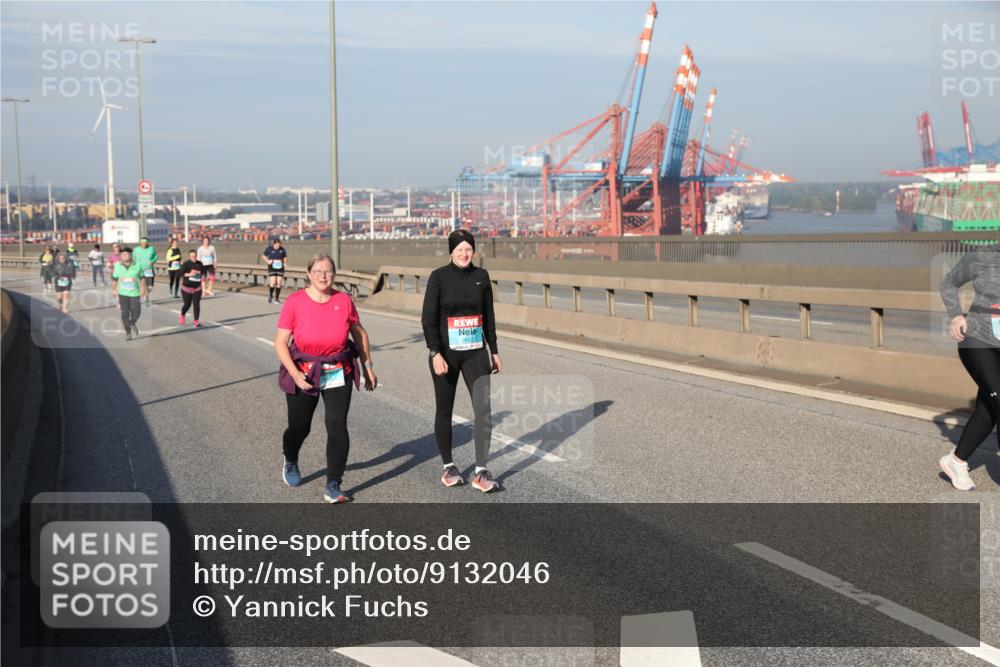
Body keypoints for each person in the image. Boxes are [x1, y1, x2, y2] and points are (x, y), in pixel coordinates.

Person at [274, 254, 377, 504]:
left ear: (334, 274)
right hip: (305, 370)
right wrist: (295, 373)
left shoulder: (343, 301)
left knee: (336, 425)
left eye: (328, 271)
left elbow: (360, 334)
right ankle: (290, 457)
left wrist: (368, 365)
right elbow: (280, 342)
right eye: (318, 271)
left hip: (337, 370)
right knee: (300, 426)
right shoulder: (295, 301)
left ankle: (333, 484)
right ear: (308, 274)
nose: (323, 276)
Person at [421, 229, 502, 492]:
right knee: (444, 409)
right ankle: (448, 466)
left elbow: (488, 315)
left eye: (468, 249)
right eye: (460, 249)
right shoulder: (438, 277)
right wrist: (435, 352)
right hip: (446, 353)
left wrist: (495, 350)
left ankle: (481, 471)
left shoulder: (482, 276)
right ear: (451, 251)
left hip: (475, 351)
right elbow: (428, 319)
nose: (465, 253)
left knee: (483, 410)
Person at [939, 241, 1000, 491]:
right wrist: (955, 314)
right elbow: (948, 283)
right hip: (977, 338)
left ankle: (956, 461)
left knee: (988, 410)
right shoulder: (983, 255)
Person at [112, 247, 146, 341]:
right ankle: (128, 333)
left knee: (137, 312)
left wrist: (142, 288)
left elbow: (142, 277)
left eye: (126, 254)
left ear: (131, 255)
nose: (123, 256)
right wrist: (113, 289)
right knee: (125, 314)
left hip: (135, 293)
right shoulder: (118, 265)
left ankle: (132, 323)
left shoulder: (138, 265)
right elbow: (115, 278)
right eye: (122, 254)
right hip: (123, 293)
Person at [178, 249, 204, 327]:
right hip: (186, 288)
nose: (194, 258)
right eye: (192, 257)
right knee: (187, 304)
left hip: (197, 288)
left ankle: (196, 321)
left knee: (196, 304)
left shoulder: (200, 263)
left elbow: (203, 273)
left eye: (195, 256)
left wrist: (200, 274)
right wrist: (190, 274)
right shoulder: (186, 264)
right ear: (189, 257)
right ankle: (182, 314)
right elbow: (181, 274)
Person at [132, 237, 158, 305]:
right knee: (142, 285)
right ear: (140, 243)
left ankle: (145, 294)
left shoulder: (151, 248)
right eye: (143, 243)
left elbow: (156, 257)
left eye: (145, 243)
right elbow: (133, 258)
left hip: (148, 270)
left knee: (150, 287)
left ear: (147, 243)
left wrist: (152, 261)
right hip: (139, 270)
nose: (144, 244)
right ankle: (145, 298)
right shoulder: (136, 249)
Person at [262, 238, 288, 304]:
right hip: (272, 267)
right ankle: (270, 296)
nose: (278, 246)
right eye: (276, 245)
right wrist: (267, 261)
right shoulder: (269, 249)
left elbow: (285, 257)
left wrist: (284, 263)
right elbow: (263, 255)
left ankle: (277, 299)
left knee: (279, 282)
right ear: (274, 244)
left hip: (280, 267)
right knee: (273, 282)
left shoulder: (282, 249)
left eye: (279, 245)